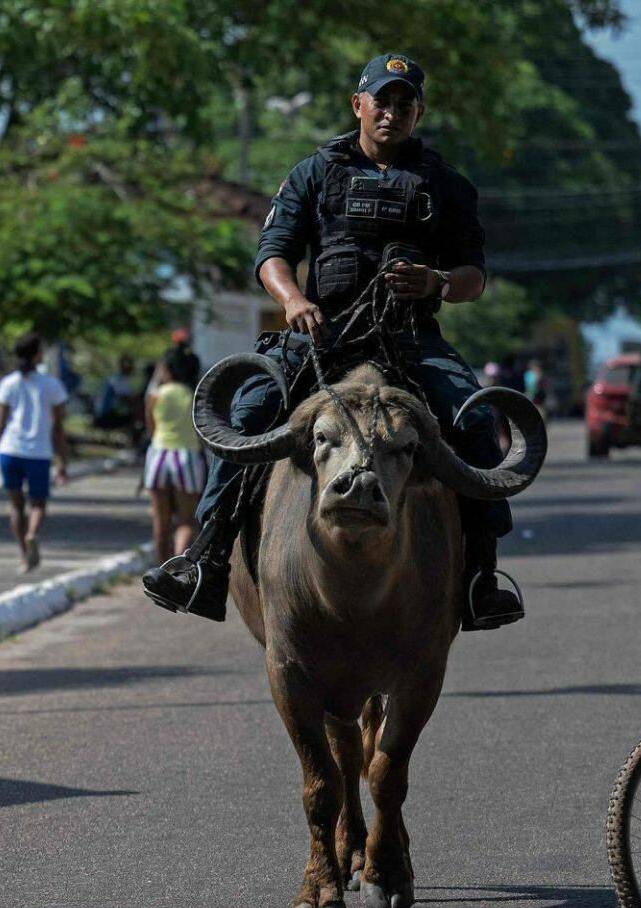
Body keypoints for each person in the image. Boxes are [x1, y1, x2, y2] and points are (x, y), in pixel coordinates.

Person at [141, 52, 525, 630]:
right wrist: (294, 301)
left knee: (473, 426)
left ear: (418, 112)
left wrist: (437, 281)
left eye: (405, 103)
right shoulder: (314, 172)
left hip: (410, 338)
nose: (392, 112)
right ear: (359, 105)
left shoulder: (445, 184)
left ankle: (481, 579)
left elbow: (474, 277)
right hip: (321, 339)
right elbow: (272, 256)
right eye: (382, 101)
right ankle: (207, 561)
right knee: (246, 417)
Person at [0, 335, 70, 572]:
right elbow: (58, 427)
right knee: (38, 504)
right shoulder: (51, 385)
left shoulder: (9, 383)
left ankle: (24, 554)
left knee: (16, 506)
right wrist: (62, 460)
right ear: (36, 355)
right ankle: (32, 533)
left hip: (9, 450)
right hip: (38, 453)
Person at [143, 346, 207, 564]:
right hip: (187, 457)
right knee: (187, 522)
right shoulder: (197, 394)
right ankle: (178, 570)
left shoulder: (154, 396)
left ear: (168, 369)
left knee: (160, 522)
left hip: (158, 456)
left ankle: (161, 570)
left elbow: (151, 429)